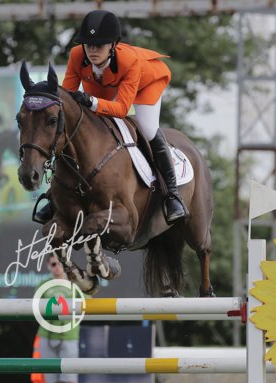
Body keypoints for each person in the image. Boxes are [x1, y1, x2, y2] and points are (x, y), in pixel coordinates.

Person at [33, 9, 189, 226]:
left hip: (147, 84)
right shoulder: (77, 55)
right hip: (105, 84)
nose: (92, 50)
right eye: (88, 45)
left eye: (99, 45)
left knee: (148, 128)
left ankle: (172, 195)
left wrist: (92, 102)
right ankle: (55, 196)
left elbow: (122, 109)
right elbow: (67, 98)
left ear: (113, 45)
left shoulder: (129, 61)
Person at [36, 256, 81, 383]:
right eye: (54, 264)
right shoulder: (43, 285)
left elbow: (87, 304)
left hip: (69, 336)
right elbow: (35, 309)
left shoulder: (75, 284)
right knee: (53, 381)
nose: (58, 266)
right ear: (48, 266)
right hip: (47, 336)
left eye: (61, 263)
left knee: (71, 379)